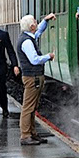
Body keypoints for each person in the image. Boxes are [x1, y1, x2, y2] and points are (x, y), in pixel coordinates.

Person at [16, 13, 56, 146]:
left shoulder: (28, 37)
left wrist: (46, 21)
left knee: (32, 107)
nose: (37, 23)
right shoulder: (27, 42)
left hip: (34, 77)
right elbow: (34, 60)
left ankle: (32, 133)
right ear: (31, 26)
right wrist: (48, 56)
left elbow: (39, 32)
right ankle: (25, 135)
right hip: (32, 77)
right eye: (35, 22)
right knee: (28, 107)